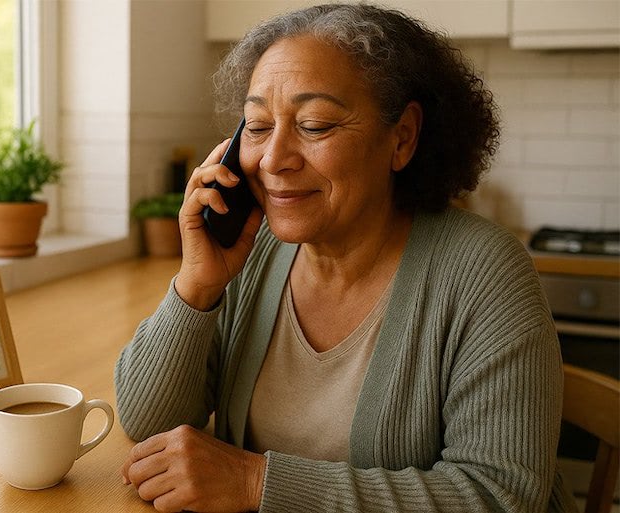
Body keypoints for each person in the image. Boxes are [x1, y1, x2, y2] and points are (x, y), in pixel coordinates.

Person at [115, 3, 579, 512]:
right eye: (257, 125)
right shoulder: (254, 252)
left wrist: (255, 482)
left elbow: (500, 495)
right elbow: (149, 423)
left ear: (401, 137)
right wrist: (196, 287)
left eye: (315, 125)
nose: (273, 159)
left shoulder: (484, 271)